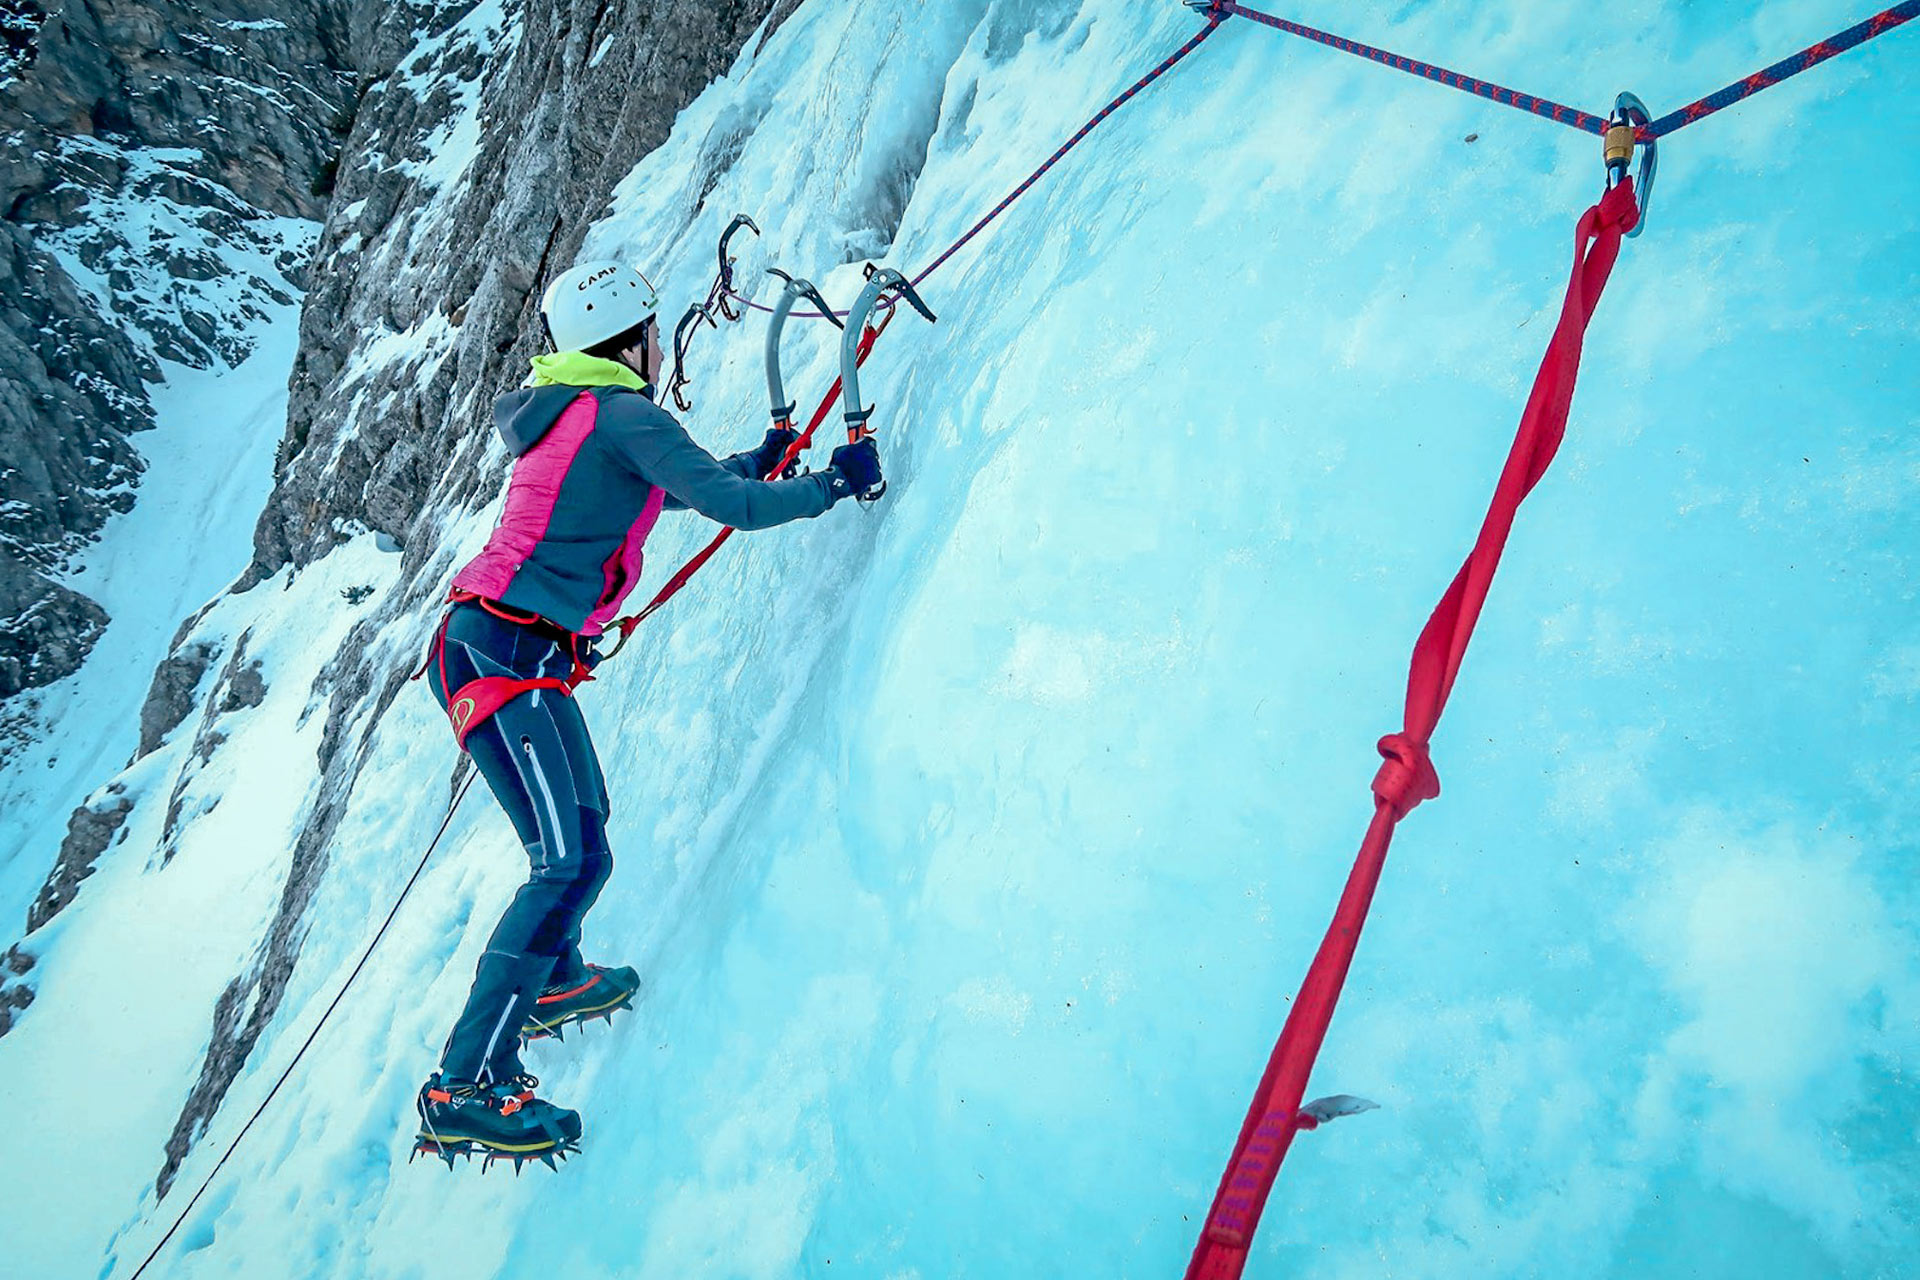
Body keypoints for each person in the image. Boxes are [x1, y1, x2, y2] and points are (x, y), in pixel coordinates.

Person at [414, 259, 881, 1166]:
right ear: (630, 341)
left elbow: (685, 487)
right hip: (510, 653)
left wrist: (762, 462)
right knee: (570, 860)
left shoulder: (576, 418)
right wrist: (832, 482)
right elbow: (733, 507)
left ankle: (551, 982)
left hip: (489, 647)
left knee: (582, 839)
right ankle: (465, 1083)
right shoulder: (625, 414)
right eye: (654, 332)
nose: (660, 345)